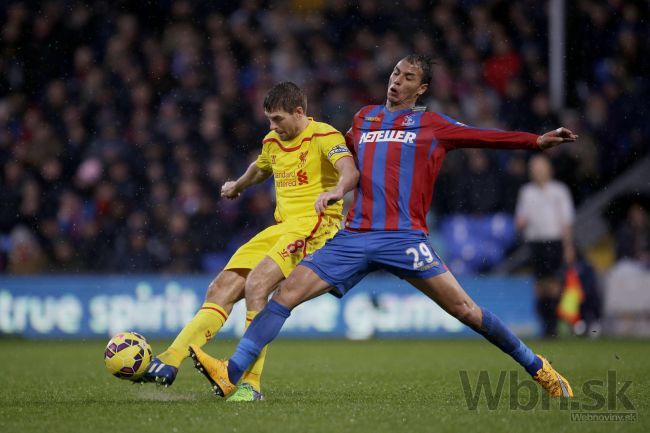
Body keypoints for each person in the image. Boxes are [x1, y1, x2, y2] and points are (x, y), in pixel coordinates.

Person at [189, 55, 577, 399]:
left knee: (466, 310)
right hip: (355, 236)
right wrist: (310, 181)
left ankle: (536, 366)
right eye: (395, 72)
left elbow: (483, 136)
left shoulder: (432, 123)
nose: (397, 80)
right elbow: (333, 156)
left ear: (421, 87)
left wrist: (534, 142)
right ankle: (233, 372)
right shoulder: (363, 119)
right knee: (284, 294)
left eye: (408, 77)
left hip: (404, 238)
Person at [141, 82, 359, 402]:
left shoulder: (325, 136)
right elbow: (260, 168)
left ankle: (250, 385)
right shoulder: (273, 140)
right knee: (221, 287)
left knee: (258, 284)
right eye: (269, 119)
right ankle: (170, 359)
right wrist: (238, 185)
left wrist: (337, 191)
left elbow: (349, 170)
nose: (272, 126)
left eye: (278, 119)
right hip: (282, 227)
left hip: (315, 225)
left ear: (299, 112)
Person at [515, 155, 576, 337]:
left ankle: (553, 325)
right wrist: (520, 223)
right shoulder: (527, 192)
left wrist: (568, 246)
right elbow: (520, 219)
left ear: (549, 170)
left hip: (554, 241)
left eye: (541, 167)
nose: (538, 171)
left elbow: (566, 222)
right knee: (540, 285)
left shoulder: (559, 191)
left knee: (554, 284)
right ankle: (545, 324)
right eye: (534, 168)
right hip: (535, 242)